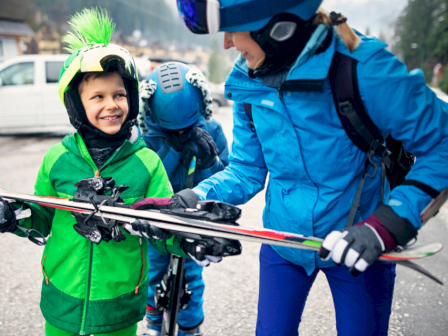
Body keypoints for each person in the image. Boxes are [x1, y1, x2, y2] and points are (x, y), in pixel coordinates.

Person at [169, 0, 448, 335]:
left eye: (232, 28)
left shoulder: (363, 68)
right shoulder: (247, 83)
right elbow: (246, 170)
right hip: (284, 240)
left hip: (357, 244)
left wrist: (386, 225)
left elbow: (441, 145)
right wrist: (200, 195)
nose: (227, 43)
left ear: (277, 28)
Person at [0, 8, 224, 336]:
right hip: (62, 298)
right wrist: (11, 215)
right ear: (76, 104)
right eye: (98, 96)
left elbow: (163, 226)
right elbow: (42, 216)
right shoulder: (57, 159)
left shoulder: (146, 163)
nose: (112, 104)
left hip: (118, 303)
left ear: (132, 99)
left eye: (119, 94)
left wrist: (190, 238)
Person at [137, 62, 229, 336]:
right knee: (152, 270)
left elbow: (227, 179)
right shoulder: (147, 137)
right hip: (158, 218)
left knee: (192, 276)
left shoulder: (212, 131)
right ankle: (153, 322)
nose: (179, 133)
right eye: (171, 131)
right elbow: (148, 180)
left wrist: (209, 159)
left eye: (184, 129)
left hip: (195, 219)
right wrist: (172, 149)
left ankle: (190, 327)